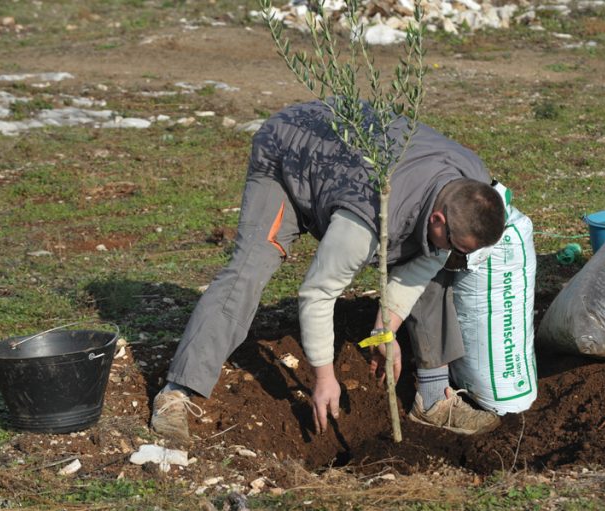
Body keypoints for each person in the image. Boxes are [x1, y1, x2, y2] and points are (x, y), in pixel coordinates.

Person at [150, 99, 506, 443]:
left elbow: (426, 262)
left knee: (434, 260)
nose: (459, 256)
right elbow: (318, 293)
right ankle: (177, 391)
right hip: (290, 154)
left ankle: (432, 397)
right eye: (458, 247)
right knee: (249, 268)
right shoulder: (364, 223)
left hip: (364, 171)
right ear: (438, 218)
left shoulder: (472, 181)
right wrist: (324, 377)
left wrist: (386, 332)